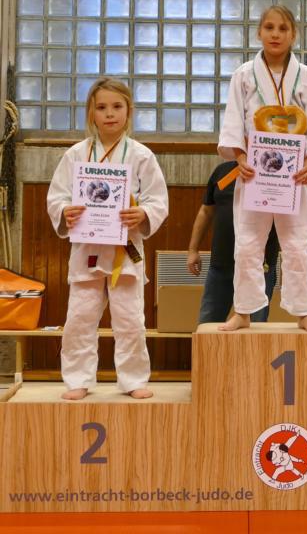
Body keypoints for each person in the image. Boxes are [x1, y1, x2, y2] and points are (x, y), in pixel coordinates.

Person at [47, 77, 168, 401]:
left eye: (117, 106)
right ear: (91, 112)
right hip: (87, 248)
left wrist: (143, 213)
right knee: (79, 318)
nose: (110, 114)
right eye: (101, 107)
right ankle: (78, 379)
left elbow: (158, 200)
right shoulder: (76, 154)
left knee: (130, 319)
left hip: (125, 250)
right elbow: (57, 196)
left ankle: (133, 379)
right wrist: (65, 211)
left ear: (129, 111)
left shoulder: (141, 155)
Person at [217, 4, 307, 333]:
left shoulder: (305, 76)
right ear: (259, 32)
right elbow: (234, 120)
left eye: (282, 28)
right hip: (255, 173)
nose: (275, 34)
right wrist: (239, 157)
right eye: (269, 27)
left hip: (294, 175)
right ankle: (243, 311)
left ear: (293, 34)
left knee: (298, 245)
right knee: (247, 244)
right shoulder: (243, 75)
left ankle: (303, 312)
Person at [186, 160, 279, 323]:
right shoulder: (222, 171)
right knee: (208, 324)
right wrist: (193, 249)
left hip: (258, 268)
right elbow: (206, 211)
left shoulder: (276, 173)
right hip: (221, 265)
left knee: (256, 328)